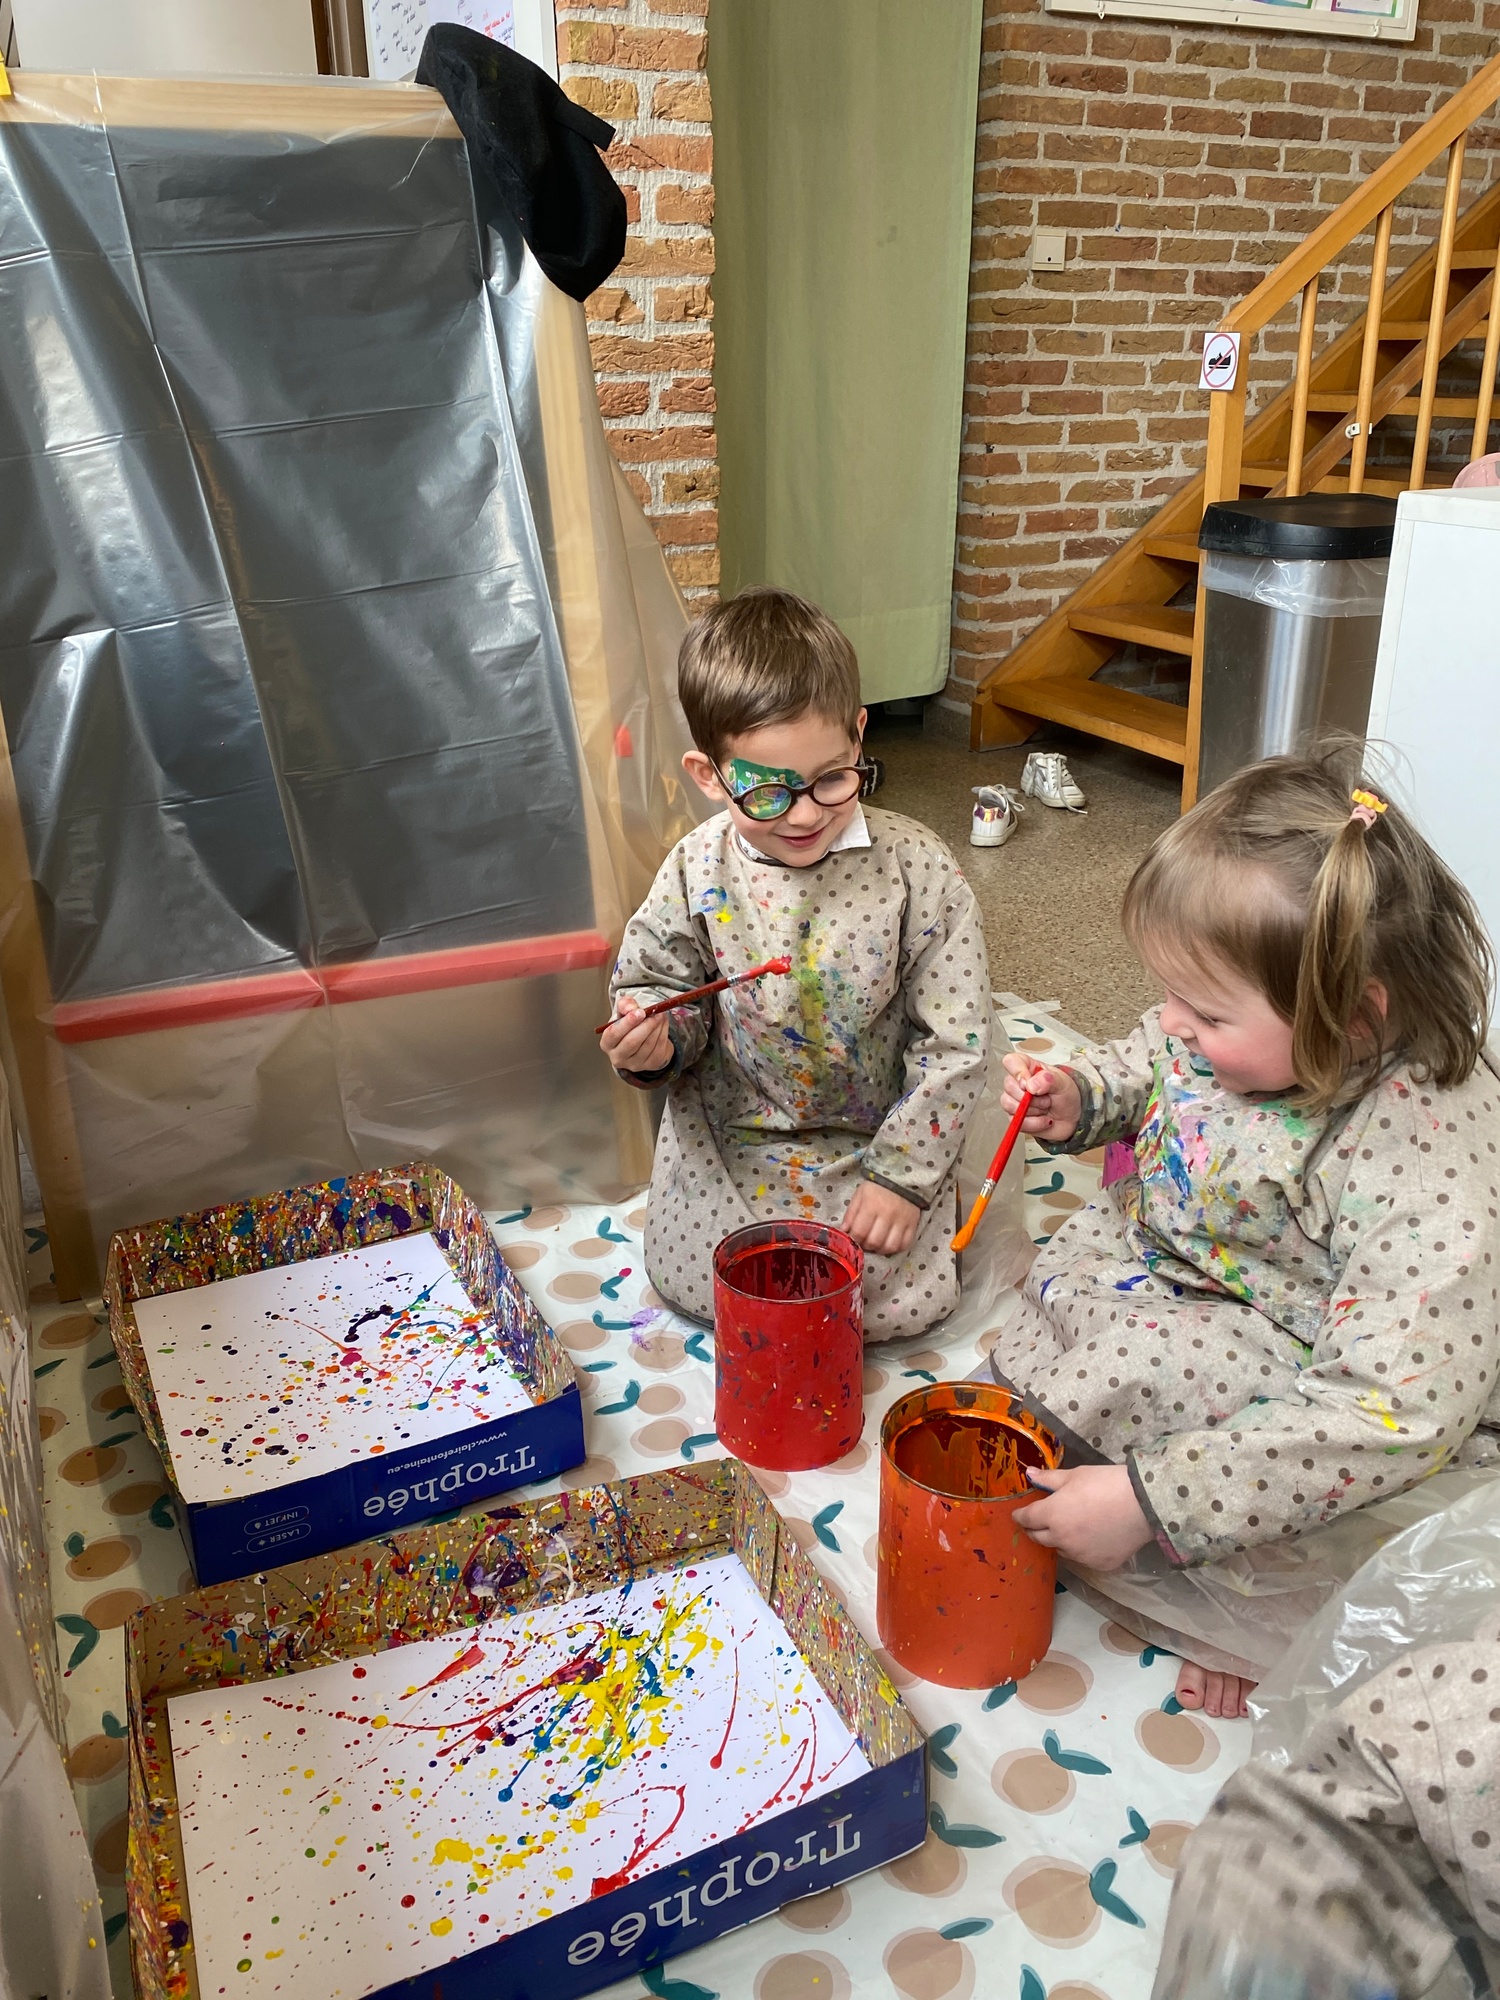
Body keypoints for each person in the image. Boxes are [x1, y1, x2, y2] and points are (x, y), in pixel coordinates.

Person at [992, 747, 1500, 1719]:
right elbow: (1154, 1056)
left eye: (1207, 1010)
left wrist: (1155, 1501)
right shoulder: (1224, 1023)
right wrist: (1083, 1095)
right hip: (1184, 1268)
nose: (1172, 1020)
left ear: (1354, 1018)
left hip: (1320, 1382)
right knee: (1069, 1336)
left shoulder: (1424, 1163)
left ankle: (1255, 1618)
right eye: (1170, 992)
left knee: (1198, 1446)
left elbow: (1386, 1414)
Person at [600, 587, 990, 1340]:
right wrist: (655, 1041)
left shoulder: (919, 869)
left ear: (859, 734)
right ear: (709, 775)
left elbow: (957, 1042)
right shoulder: (694, 867)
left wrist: (903, 1178)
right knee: (711, 1282)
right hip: (733, 1135)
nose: (806, 813)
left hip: (876, 1136)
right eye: (769, 792)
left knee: (890, 1301)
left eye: (832, 778)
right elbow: (659, 989)